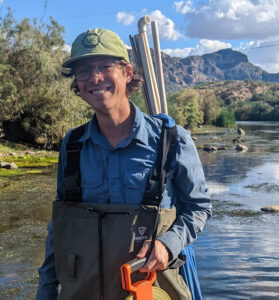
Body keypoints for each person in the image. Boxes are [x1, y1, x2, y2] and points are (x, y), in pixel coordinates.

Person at [36, 28, 211, 300]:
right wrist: (45, 290)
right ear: (77, 83)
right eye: (83, 70)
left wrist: (167, 244)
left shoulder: (172, 140)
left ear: (128, 73)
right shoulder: (72, 146)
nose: (94, 78)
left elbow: (198, 209)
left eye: (105, 66)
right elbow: (59, 227)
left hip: (152, 291)